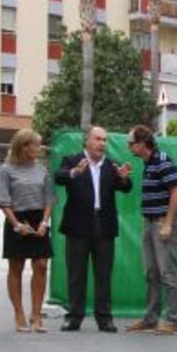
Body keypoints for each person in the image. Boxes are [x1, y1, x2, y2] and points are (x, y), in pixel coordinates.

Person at [54, 126, 133, 332]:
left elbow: (125, 187)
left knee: (103, 275)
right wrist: (74, 172)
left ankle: (104, 318)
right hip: (77, 225)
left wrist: (124, 177)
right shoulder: (72, 160)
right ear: (86, 141)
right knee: (76, 274)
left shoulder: (110, 165)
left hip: (104, 225)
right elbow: (58, 177)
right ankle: (74, 317)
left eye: (104, 140)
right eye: (98, 139)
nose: (102, 143)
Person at [0, 128, 55, 333]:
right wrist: (17, 225)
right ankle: (19, 314)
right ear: (24, 147)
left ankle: (36, 314)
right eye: (35, 144)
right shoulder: (6, 169)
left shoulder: (42, 170)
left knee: (41, 265)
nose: (39, 148)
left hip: (38, 219)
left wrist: (44, 223)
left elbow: (49, 199)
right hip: (16, 219)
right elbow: (2, 200)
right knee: (16, 267)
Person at [124, 125, 177, 334]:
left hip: (162, 223)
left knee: (168, 272)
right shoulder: (148, 164)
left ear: (143, 143)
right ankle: (151, 319)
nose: (129, 147)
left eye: (131, 143)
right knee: (151, 272)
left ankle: (173, 321)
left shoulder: (163, 161)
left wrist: (167, 223)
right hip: (149, 223)